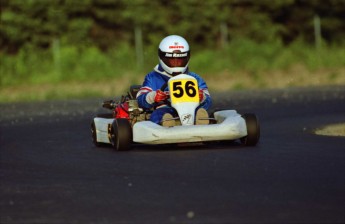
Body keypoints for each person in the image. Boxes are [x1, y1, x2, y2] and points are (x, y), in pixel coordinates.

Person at [136, 35, 212, 127]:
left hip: (191, 110)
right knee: (157, 115)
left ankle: (200, 122)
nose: (176, 63)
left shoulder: (194, 78)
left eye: (180, 60)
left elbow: (208, 100)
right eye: (172, 60)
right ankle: (166, 123)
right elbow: (140, 99)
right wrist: (153, 96)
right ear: (162, 57)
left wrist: (202, 97)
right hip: (165, 110)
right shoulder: (153, 77)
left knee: (200, 112)